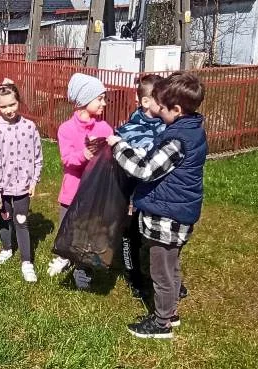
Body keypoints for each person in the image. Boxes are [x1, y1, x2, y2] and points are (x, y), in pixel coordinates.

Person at [107, 71, 207, 339]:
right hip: (178, 212)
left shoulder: (176, 140)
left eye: (161, 108)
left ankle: (161, 323)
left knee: (161, 271)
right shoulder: (190, 129)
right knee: (171, 267)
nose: (158, 111)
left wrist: (119, 147)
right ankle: (170, 313)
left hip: (167, 217)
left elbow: (144, 170)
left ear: (176, 109)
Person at [47, 73, 114, 290]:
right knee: (68, 228)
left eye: (104, 98)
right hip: (72, 191)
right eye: (100, 98)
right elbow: (67, 159)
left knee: (89, 232)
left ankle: (83, 268)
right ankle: (65, 256)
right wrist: (85, 154)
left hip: (95, 194)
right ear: (84, 101)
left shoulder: (105, 128)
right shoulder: (66, 129)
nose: (104, 103)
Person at [0, 80, 43, 282]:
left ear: (18, 101)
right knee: (4, 218)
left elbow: (38, 156)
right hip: (2, 188)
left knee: (21, 221)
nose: (9, 110)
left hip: (23, 188)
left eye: (12, 104)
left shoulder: (29, 126)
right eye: (3, 106)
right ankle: (8, 248)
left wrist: (34, 180)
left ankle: (27, 261)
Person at [116, 74, 166, 298]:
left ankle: (167, 279)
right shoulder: (130, 130)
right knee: (132, 235)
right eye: (162, 100)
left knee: (157, 237)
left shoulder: (167, 128)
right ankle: (133, 275)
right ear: (146, 102)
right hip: (132, 195)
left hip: (156, 195)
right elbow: (127, 165)